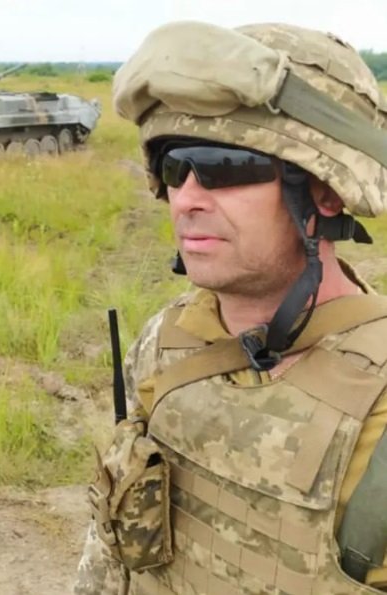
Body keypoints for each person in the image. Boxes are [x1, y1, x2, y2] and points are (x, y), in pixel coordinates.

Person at [74, 20, 387, 595]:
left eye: (224, 167)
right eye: (175, 168)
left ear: (326, 191)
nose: (187, 200)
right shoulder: (167, 338)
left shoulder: (379, 407)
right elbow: (111, 557)